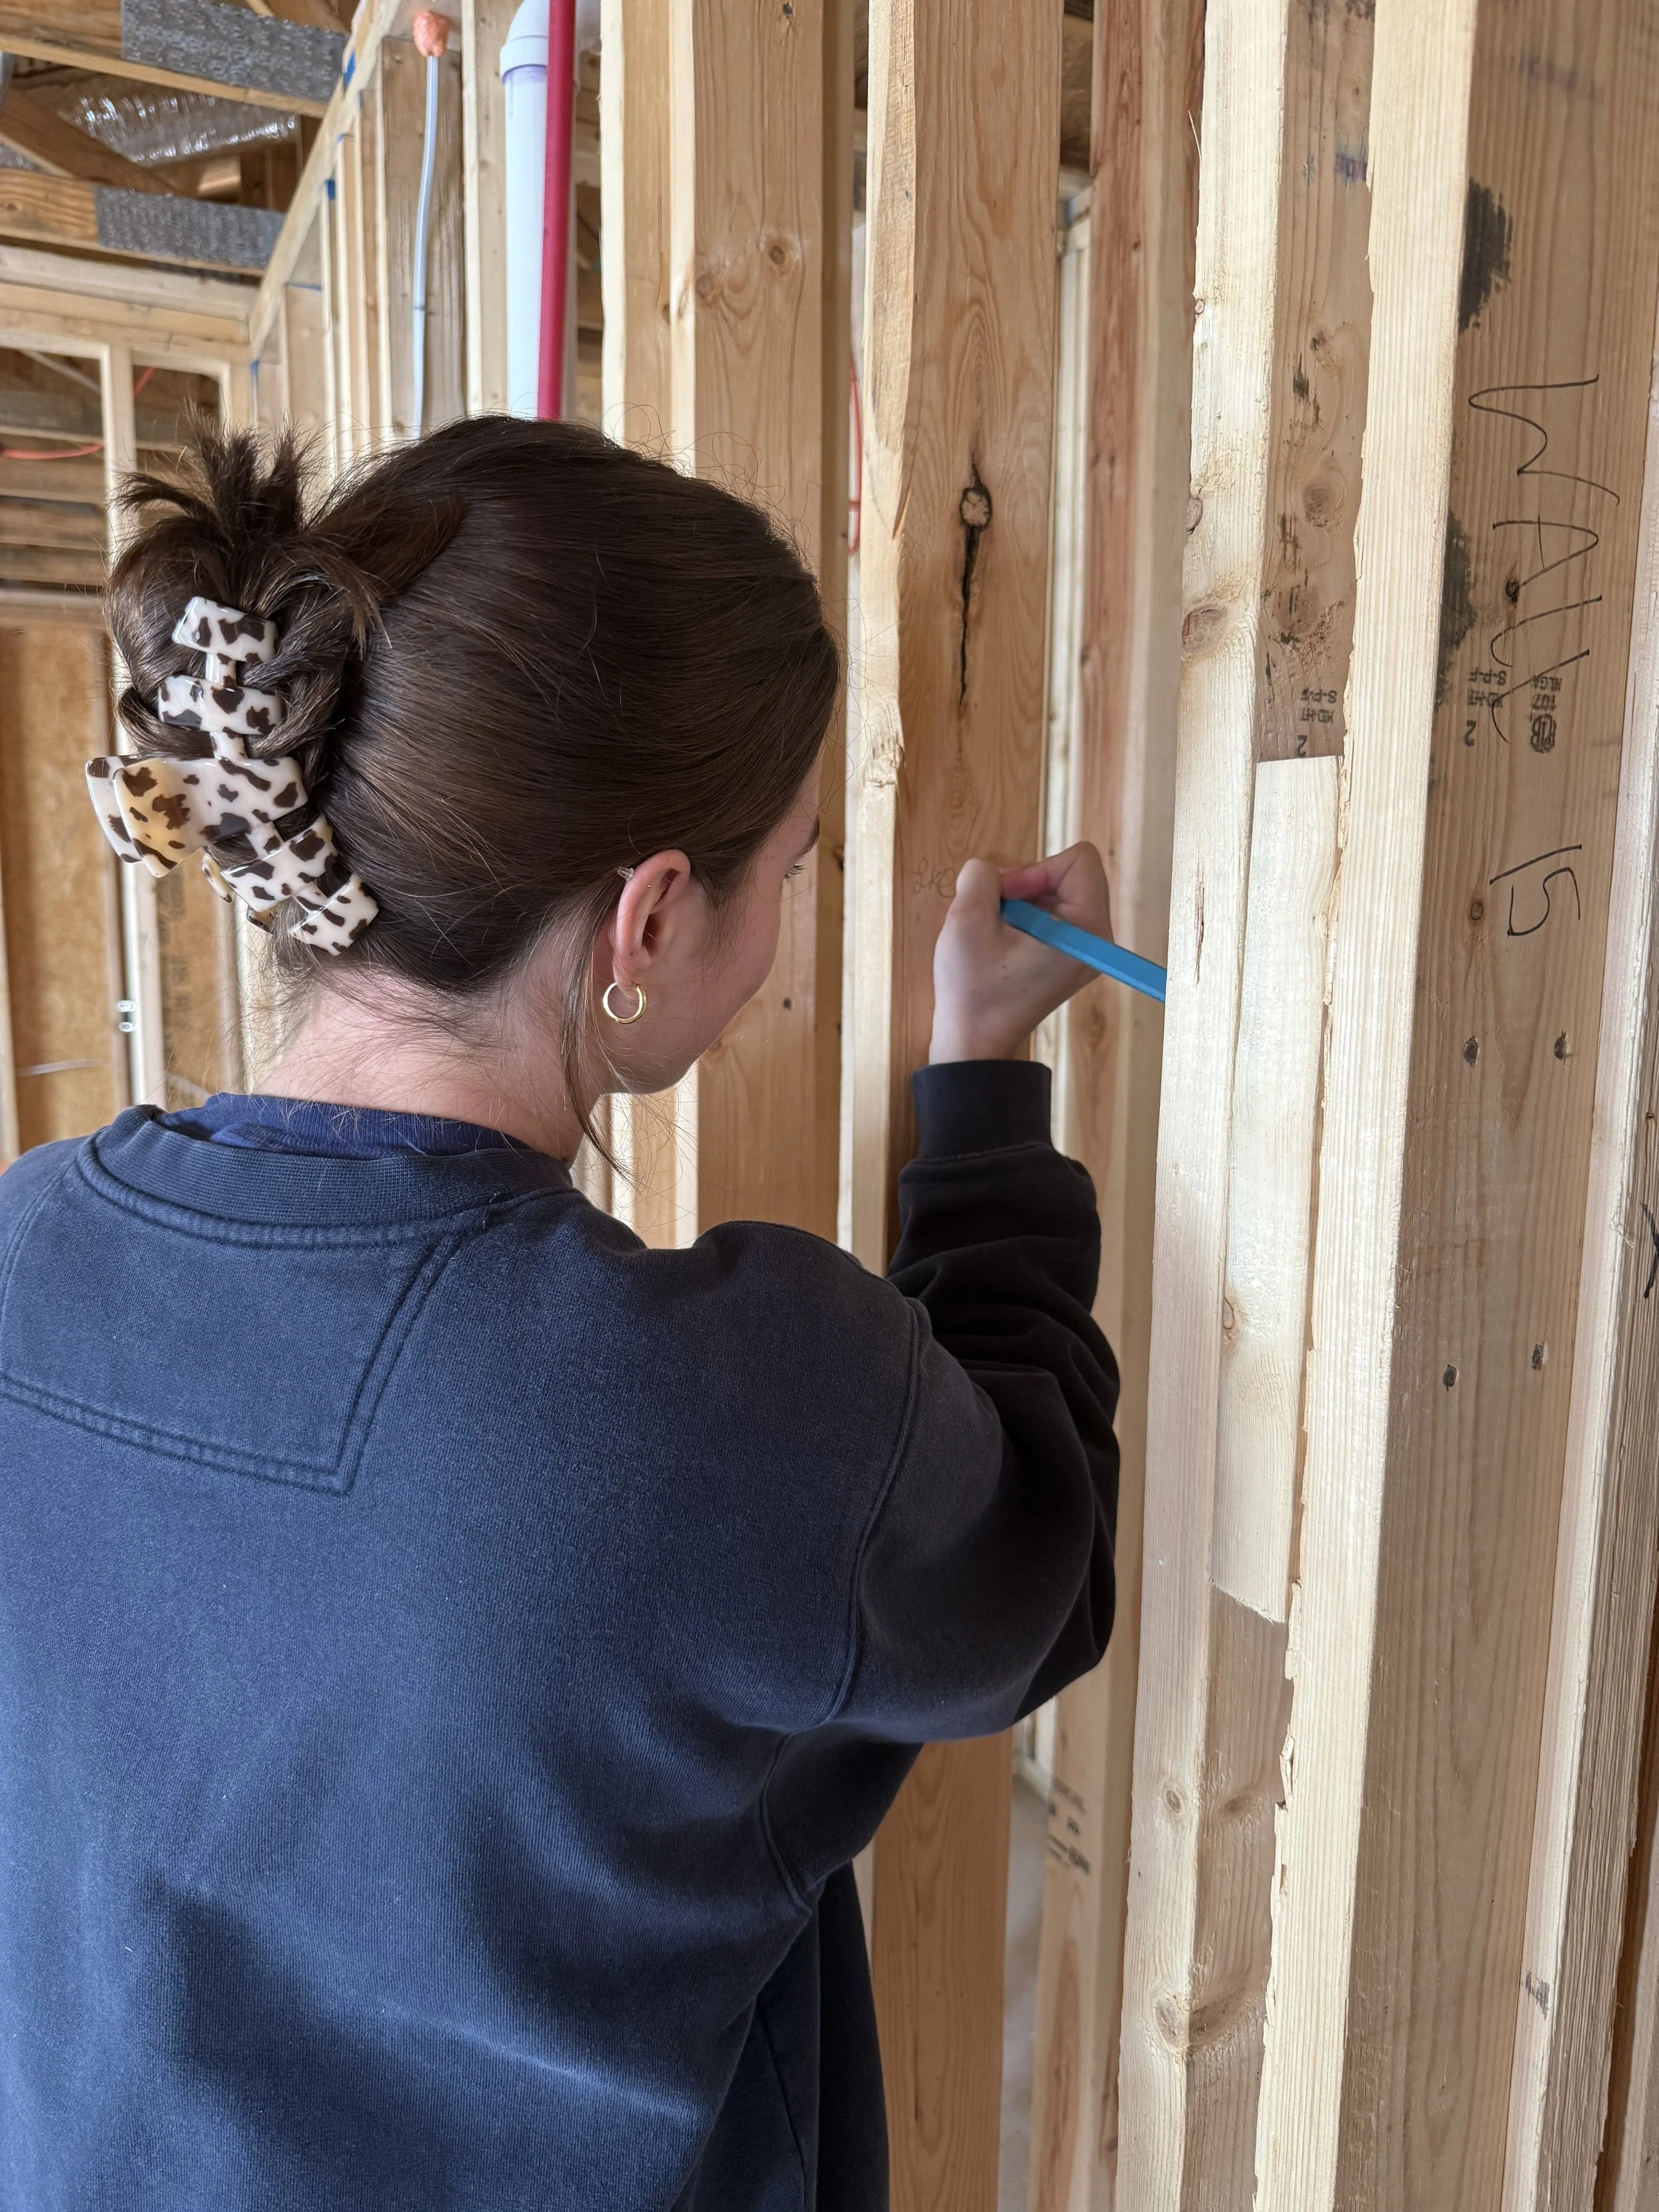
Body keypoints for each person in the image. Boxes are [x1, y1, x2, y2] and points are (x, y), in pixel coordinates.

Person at [0, 418, 1119, 2211]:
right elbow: (1033, 1578)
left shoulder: (24, 1248)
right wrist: (978, 1086)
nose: (778, 940)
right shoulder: (719, 1407)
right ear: (651, 916)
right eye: (793, 868)